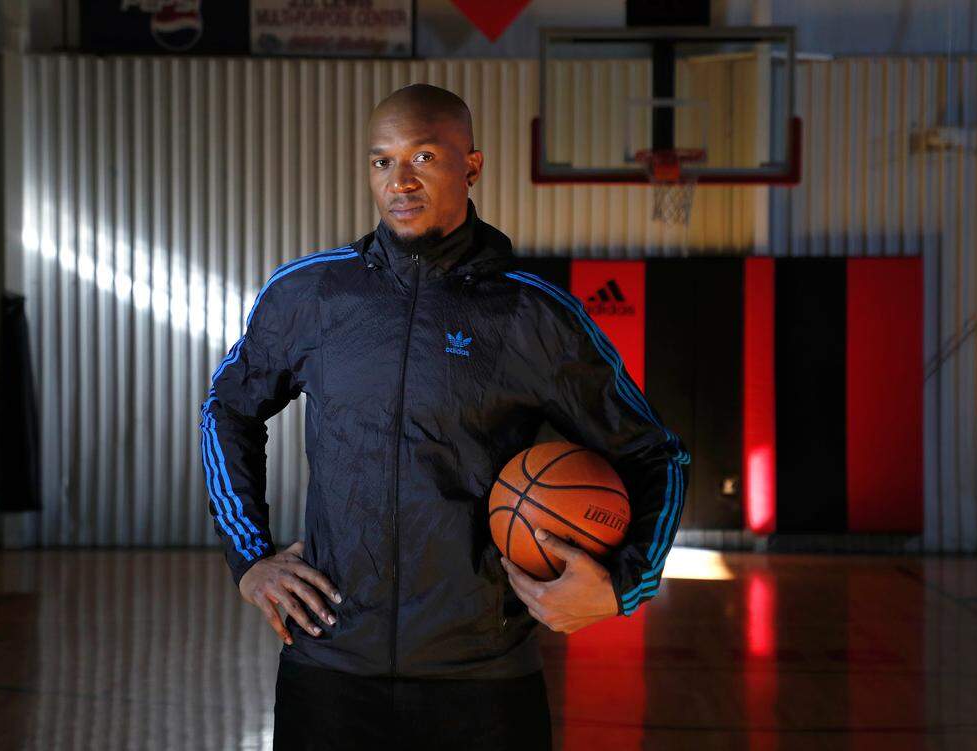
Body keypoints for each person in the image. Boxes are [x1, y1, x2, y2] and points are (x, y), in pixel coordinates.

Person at [198, 83, 690, 750]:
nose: (399, 181)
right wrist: (249, 556)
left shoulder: (531, 315)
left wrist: (623, 587)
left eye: (423, 157)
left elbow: (656, 454)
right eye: (382, 161)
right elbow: (227, 406)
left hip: (483, 679)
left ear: (472, 166)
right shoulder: (311, 295)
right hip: (330, 667)